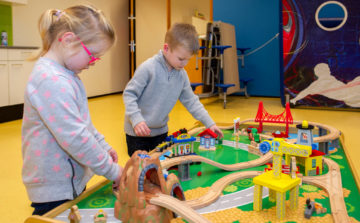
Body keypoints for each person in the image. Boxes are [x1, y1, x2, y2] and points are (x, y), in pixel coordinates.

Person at [21, 5, 123, 216]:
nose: (93, 63)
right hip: (54, 188)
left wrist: (102, 145)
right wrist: (112, 171)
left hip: (70, 180)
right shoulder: (51, 81)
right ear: (68, 40)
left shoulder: (68, 76)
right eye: (92, 55)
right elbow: (75, 138)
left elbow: (83, 125)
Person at [123, 23, 224, 157]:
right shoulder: (148, 68)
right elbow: (129, 94)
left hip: (160, 132)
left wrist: (209, 124)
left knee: (161, 167)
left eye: (188, 60)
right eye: (181, 59)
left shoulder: (181, 75)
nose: (184, 64)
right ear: (166, 48)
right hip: (137, 133)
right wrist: (137, 119)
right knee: (139, 170)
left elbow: (192, 102)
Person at [290, 63, 360, 107]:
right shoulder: (318, 84)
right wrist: (294, 100)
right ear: (318, 73)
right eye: (326, 69)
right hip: (350, 97)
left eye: (328, 69)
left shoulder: (329, 79)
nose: (329, 71)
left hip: (350, 91)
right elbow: (305, 92)